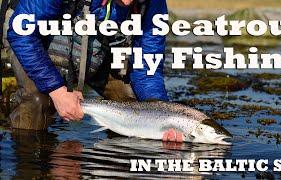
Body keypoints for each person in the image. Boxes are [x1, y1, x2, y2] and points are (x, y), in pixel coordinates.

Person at [6, 0, 183, 142]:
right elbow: (22, 34)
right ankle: (29, 164)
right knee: (37, 100)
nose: (129, 2)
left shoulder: (152, 4)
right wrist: (58, 92)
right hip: (35, 43)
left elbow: (146, 69)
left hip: (99, 51)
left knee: (134, 103)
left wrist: (164, 118)